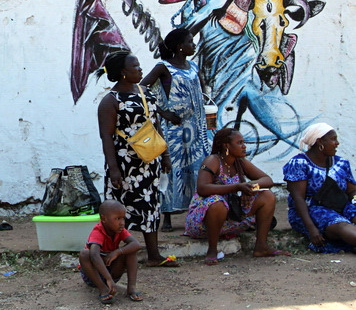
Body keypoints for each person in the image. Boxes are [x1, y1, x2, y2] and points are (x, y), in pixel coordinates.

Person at [97, 49, 177, 268]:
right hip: (125, 165)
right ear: (123, 72)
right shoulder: (110, 101)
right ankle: (114, 256)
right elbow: (106, 137)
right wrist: (114, 169)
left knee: (151, 207)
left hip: (149, 162)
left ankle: (153, 255)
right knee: (120, 211)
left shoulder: (145, 92)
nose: (141, 69)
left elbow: (155, 126)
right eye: (135, 66)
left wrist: (165, 156)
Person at [184, 128, 288, 265]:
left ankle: (261, 247)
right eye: (239, 143)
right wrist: (237, 187)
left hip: (232, 217)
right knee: (217, 203)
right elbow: (203, 188)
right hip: (204, 221)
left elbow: (267, 180)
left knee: (267, 195)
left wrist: (250, 187)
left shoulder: (240, 162)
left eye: (243, 142)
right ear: (227, 146)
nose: (244, 146)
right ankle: (212, 250)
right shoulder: (212, 160)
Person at [141, 28, 210, 232]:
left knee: (196, 169)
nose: (193, 45)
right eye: (190, 42)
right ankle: (168, 217)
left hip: (195, 129)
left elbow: (201, 92)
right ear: (180, 46)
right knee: (172, 170)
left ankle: (197, 212)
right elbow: (142, 89)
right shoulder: (163, 68)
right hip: (173, 129)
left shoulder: (193, 67)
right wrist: (163, 113)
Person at [283, 123, 356, 253]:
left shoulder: (341, 163)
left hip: (341, 205)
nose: (337, 143)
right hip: (312, 211)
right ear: (320, 142)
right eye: (333, 139)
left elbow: (352, 191)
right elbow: (298, 198)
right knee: (342, 226)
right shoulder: (299, 163)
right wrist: (311, 228)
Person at [79, 200, 142, 304]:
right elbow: (94, 255)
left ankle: (131, 288)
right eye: (117, 219)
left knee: (131, 250)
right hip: (94, 276)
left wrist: (118, 252)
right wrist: (108, 279)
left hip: (112, 274)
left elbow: (137, 244)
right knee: (84, 254)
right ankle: (103, 288)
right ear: (104, 219)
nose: (122, 223)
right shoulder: (98, 231)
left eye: (123, 218)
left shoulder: (119, 230)